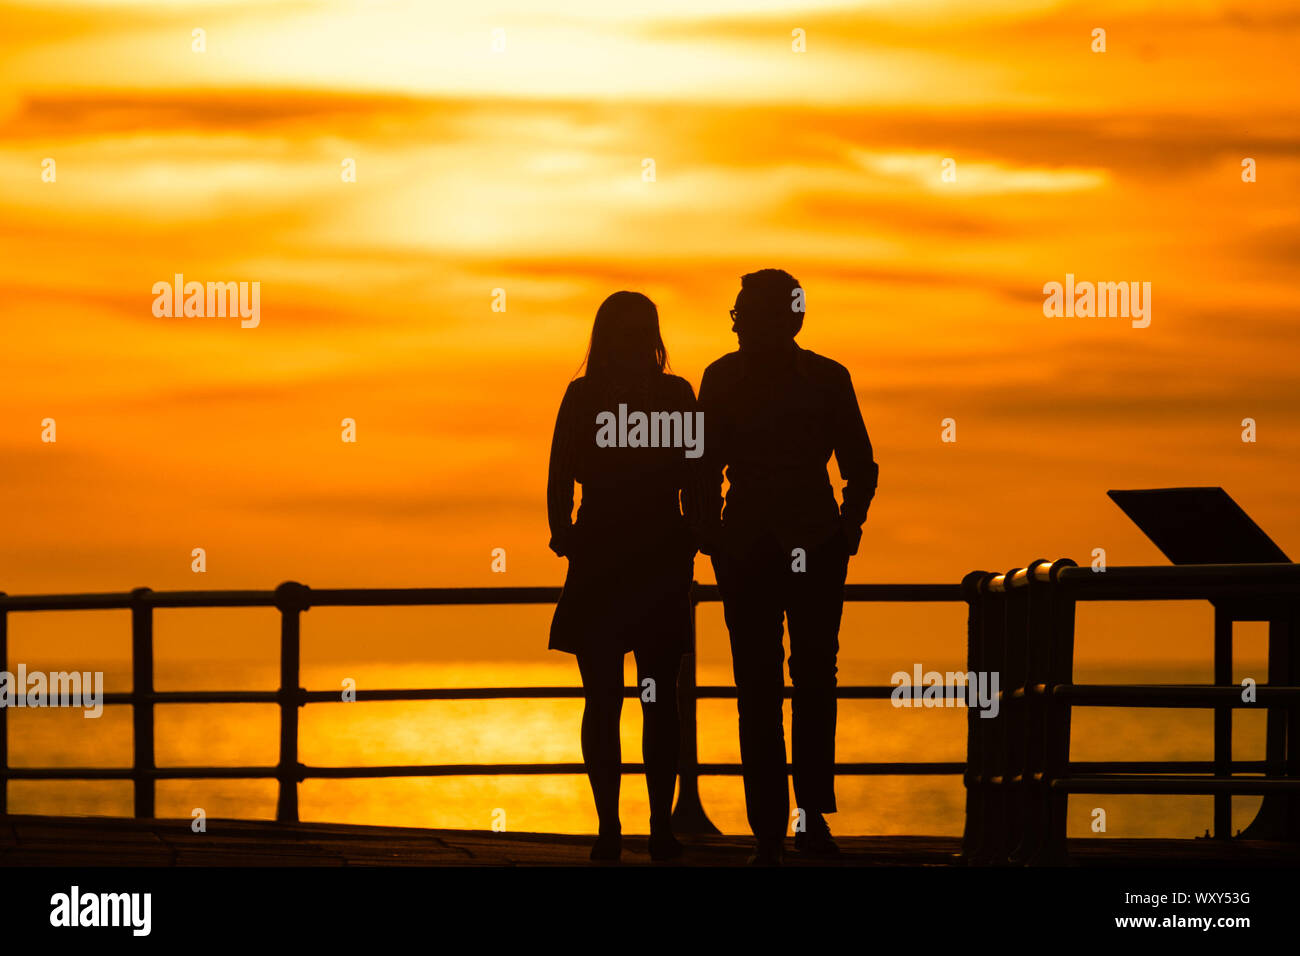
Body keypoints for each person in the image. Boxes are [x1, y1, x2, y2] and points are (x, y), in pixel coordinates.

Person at [696, 269, 878, 865]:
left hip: (811, 545)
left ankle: (808, 816)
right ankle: (772, 827)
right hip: (750, 547)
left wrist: (846, 533)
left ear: (789, 320)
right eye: (738, 314)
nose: (739, 323)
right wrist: (712, 537)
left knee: (812, 680)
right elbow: (700, 470)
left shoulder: (827, 379)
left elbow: (861, 466)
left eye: (749, 313)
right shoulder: (723, 379)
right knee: (758, 686)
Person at [547, 291, 701, 862]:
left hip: (621, 548)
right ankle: (637, 827)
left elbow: (561, 470)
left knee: (618, 699)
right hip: (639, 549)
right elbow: (697, 472)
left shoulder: (591, 396)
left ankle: (625, 828)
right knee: (639, 699)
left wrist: (562, 531)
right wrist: (697, 528)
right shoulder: (670, 394)